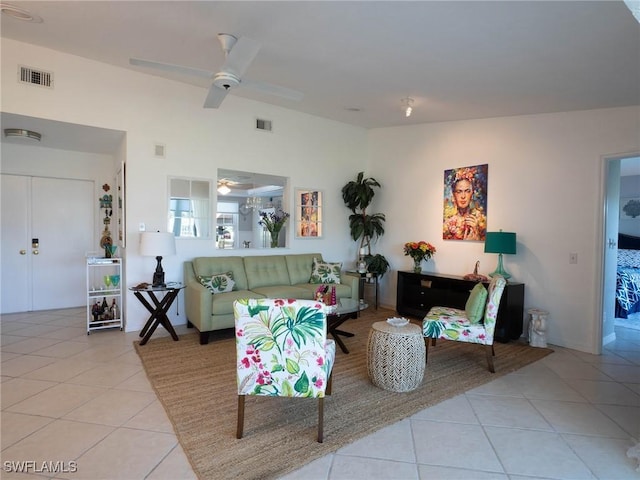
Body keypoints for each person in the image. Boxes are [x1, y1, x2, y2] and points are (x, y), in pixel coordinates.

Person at [443, 170, 486, 240]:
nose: (463, 196)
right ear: (454, 196)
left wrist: (476, 232)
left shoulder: (480, 220)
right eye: (459, 191)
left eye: (467, 191)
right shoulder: (447, 223)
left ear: (472, 195)